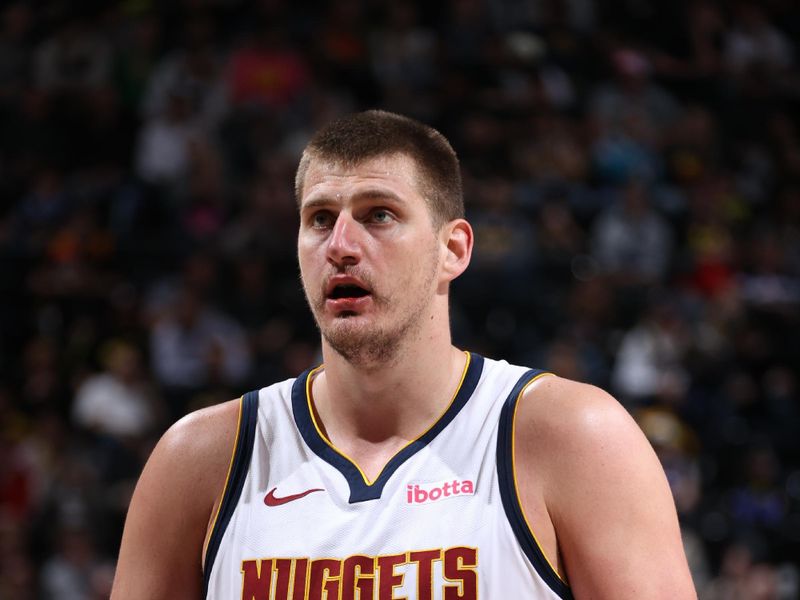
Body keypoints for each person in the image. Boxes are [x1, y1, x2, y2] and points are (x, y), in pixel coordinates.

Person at [111, 110, 697, 599]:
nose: (340, 245)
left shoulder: (572, 439)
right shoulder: (199, 462)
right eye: (319, 220)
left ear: (454, 250)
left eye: (378, 215)